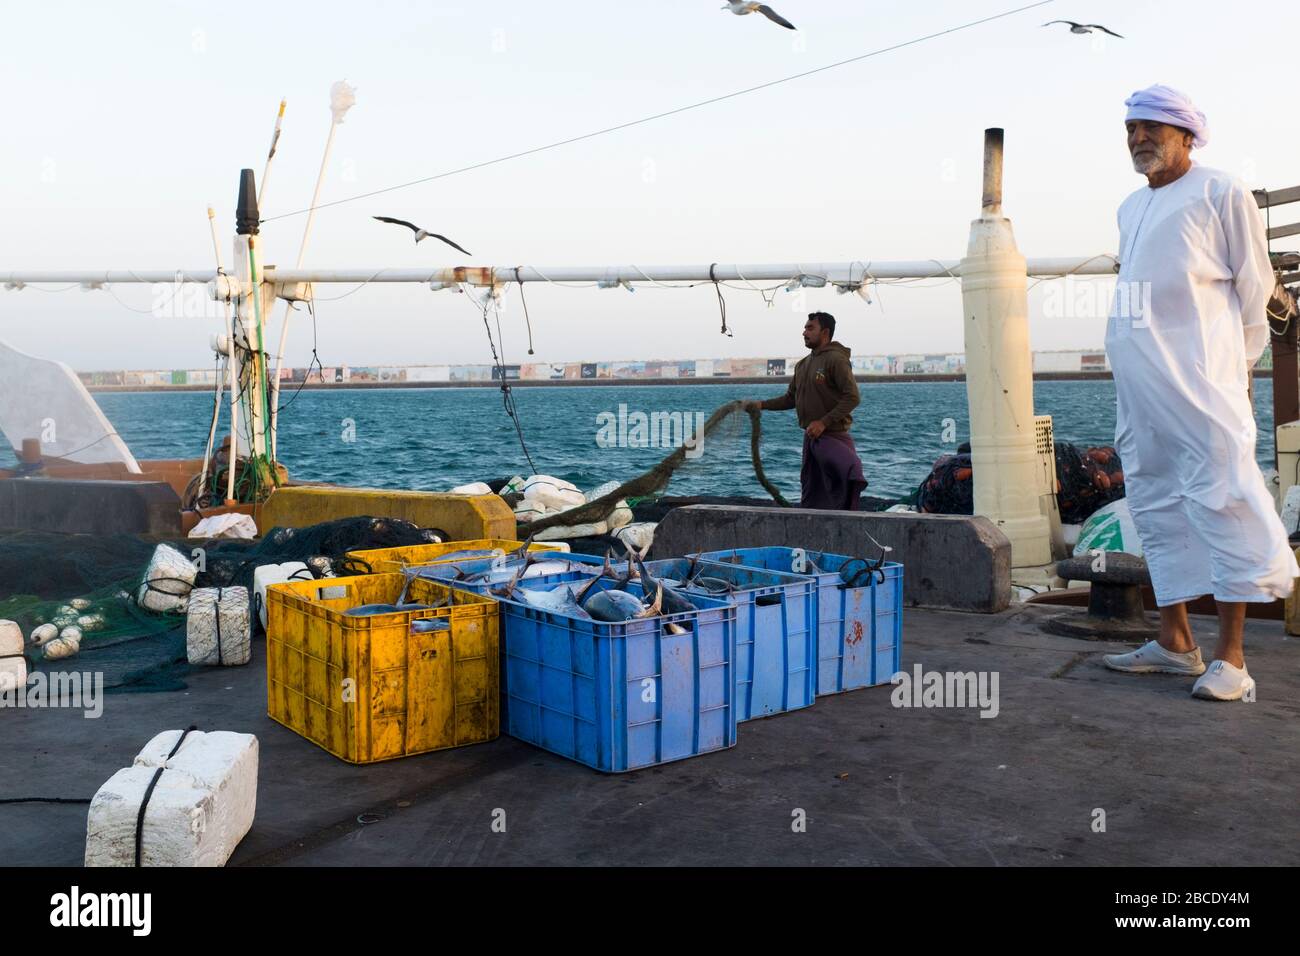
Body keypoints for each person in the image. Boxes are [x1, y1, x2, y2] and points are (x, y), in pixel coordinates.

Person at [1100, 84, 1299, 701]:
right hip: (1140, 394)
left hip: (1205, 387)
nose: (1138, 137)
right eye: (1131, 127)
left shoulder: (1222, 190)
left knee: (1224, 504)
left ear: (1187, 134)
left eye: (1151, 127)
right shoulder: (1130, 207)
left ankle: (1233, 661)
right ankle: (1175, 642)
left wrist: (1233, 372)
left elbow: (1253, 287)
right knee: (1157, 507)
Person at [746, 312, 867, 509]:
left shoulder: (836, 360)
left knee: (844, 479)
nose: (804, 332)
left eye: (810, 328)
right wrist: (761, 405)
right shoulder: (803, 365)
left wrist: (823, 422)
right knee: (811, 488)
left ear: (825, 332)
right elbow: (790, 398)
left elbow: (853, 397)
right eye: (805, 328)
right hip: (811, 439)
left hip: (833, 437)